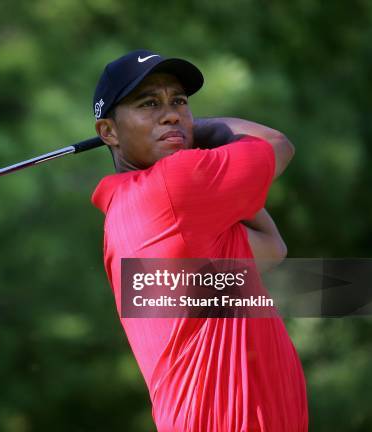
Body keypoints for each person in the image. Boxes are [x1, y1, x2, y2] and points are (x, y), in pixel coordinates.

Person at [90, 50, 308, 431]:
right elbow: (277, 143)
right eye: (149, 104)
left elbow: (271, 247)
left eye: (180, 102)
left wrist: (179, 135)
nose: (172, 113)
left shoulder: (134, 210)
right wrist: (198, 129)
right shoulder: (173, 186)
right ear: (108, 132)